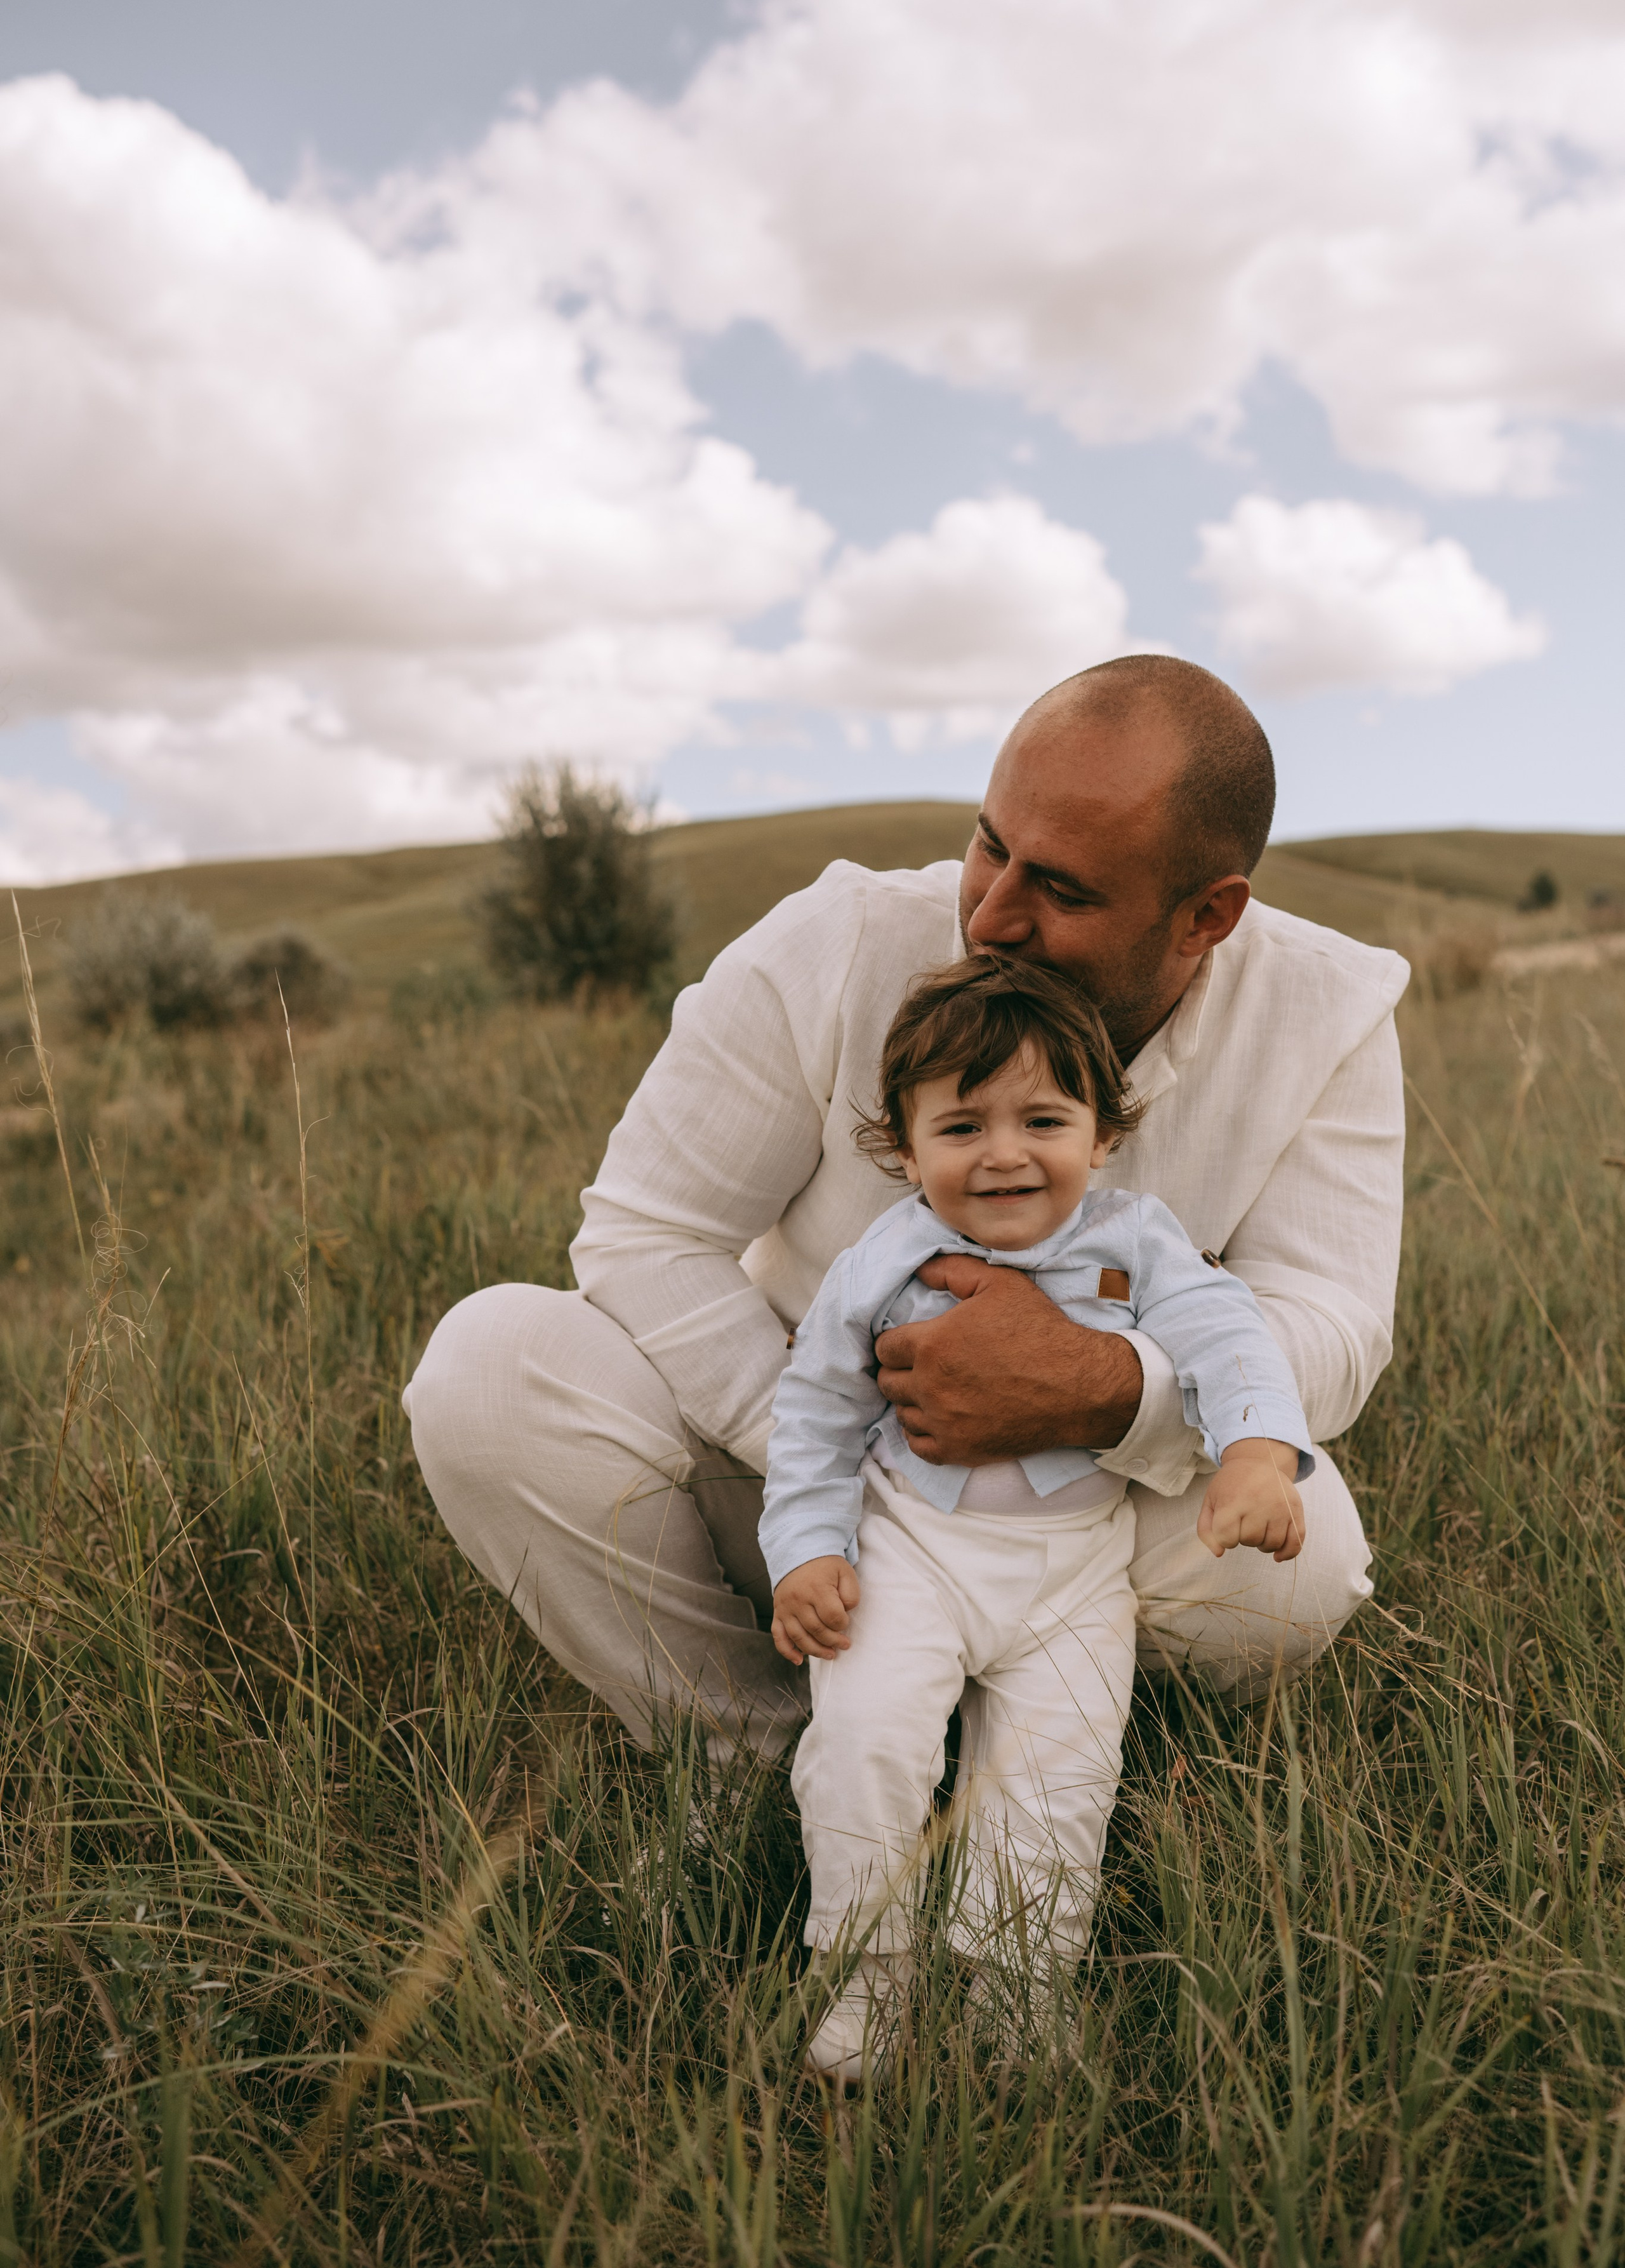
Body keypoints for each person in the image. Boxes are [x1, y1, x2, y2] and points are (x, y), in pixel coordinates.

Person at [403, 654, 1408, 1768]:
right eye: (991, 844)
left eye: (1064, 891)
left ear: (1204, 919)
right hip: (786, 1446)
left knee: (1306, 1572)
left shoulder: (1328, 1012)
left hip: (1081, 1501)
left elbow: (1333, 1318)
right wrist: (837, 1457)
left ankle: (1022, 1734)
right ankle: (752, 1757)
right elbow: (648, 1235)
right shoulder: (837, 940)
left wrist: (1096, 1386)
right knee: (488, 1371)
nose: (993, 915)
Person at [764, 952, 1313, 2078]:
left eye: (1044, 1119)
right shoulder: (885, 1256)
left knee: (1058, 1786)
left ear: (1102, 1134)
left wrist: (1257, 1451)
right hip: (908, 1549)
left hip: (1072, 1575)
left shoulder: (1134, 1239)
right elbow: (816, 1409)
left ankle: (1019, 1990)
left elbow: (1228, 1331)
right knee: (868, 1745)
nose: (1005, 1153)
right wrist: (806, 1551)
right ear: (904, 1150)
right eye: (961, 1127)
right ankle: (868, 1978)